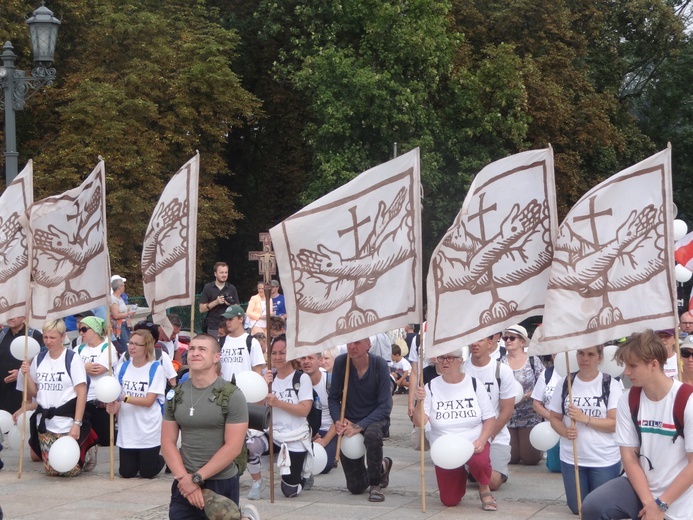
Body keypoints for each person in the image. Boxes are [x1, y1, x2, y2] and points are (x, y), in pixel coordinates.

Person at [582, 330, 693, 520]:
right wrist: (650, 503)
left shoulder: (687, 400)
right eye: (626, 365)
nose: (626, 372)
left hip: (682, 494)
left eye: (633, 366)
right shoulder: (629, 399)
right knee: (594, 506)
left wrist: (661, 505)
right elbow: (629, 457)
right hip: (641, 485)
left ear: (654, 364)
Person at [161, 334, 252, 519]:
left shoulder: (232, 395)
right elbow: (167, 442)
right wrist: (184, 479)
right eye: (192, 348)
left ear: (216, 357)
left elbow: (233, 447)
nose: (195, 353)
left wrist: (197, 479)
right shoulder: (176, 394)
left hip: (221, 481)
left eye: (202, 349)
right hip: (184, 482)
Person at [413, 349, 498, 510]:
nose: (445, 362)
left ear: (460, 360)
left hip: (473, 440)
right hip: (445, 446)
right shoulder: (430, 386)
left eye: (450, 358)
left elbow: (489, 418)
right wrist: (419, 402)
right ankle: (460, 473)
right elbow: (420, 422)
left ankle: (484, 487)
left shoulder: (474, 384)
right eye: (441, 358)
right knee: (450, 500)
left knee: (479, 462)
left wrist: (482, 439)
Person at [548, 345, 623, 515]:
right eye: (581, 353)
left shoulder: (610, 384)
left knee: (600, 509)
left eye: (591, 354)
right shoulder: (566, 382)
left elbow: (614, 424)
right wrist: (564, 431)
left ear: (600, 357)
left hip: (603, 458)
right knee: (577, 508)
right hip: (572, 457)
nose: (585, 358)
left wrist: (585, 419)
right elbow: (554, 418)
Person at [20, 319, 96, 476]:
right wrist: (26, 375)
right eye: (46, 337)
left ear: (62, 337)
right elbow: (35, 392)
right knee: (53, 471)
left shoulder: (72, 359)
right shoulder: (39, 359)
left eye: (52, 337)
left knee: (69, 471)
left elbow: (82, 392)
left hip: (66, 419)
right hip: (46, 422)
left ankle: (88, 448)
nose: (48, 341)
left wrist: (77, 423)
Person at [328, 337, 393, 502]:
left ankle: (375, 485)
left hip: (375, 419)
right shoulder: (342, 363)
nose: (352, 346)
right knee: (355, 487)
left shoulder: (379, 364)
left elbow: (385, 406)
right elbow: (334, 398)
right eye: (349, 342)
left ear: (368, 344)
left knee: (372, 436)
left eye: (357, 342)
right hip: (350, 419)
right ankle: (381, 466)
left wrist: (361, 425)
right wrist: (338, 420)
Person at [107, 329, 166, 478]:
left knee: (147, 473)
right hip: (128, 428)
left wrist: (124, 398)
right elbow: (114, 396)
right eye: (130, 343)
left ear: (146, 347)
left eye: (136, 344)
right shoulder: (122, 368)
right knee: (126, 473)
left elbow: (148, 401)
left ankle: (165, 458)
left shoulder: (156, 369)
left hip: (148, 428)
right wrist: (113, 406)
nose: (132, 347)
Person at [262, 334, 312, 497]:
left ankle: (303, 473)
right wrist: (261, 387)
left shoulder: (302, 378)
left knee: (289, 491)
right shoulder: (269, 378)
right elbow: (255, 406)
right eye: (274, 353)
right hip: (272, 435)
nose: (277, 357)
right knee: (251, 447)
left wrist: (279, 403)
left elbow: (304, 410)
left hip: (295, 436)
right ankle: (256, 482)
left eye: (282, 353)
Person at [464, 334, 516, 491]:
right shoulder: (462, 370)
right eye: (472, 339)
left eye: (480, 339)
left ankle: (496, 470)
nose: (475, 343)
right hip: (466, 435)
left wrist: (487, 436)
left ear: (490, 343)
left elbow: (507, 410)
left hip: (495, 435)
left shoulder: (502, 371)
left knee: (491, 482)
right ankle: (474, 469)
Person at [500, 324, 544, 466]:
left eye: (512, 338)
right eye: (505, 338)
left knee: (530, 460)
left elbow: (543, 384)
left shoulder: (533, 360)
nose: (508, 341)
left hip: (529, 415)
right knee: (511, 459)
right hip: (508, 416)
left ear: (522, 342)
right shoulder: (500, 363)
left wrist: (526, 396)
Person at [73, 316, 118, 451]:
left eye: (84, 329)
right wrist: (85, 368)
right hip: (82, 398)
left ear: (96, 330)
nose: (81, 333)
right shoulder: (78, 349)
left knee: (105, 440)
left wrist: (81, 367)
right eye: (79, 330)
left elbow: (98, 370)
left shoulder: (107, 347)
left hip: (99, 400)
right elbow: (71, 371)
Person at [301, 352, 337, 473]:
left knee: (324, 465)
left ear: (320, 360)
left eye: (310, 358)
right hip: (305, 431)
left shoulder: (330, 381)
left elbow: (339, 416)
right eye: (303, 358)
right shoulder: (297, 381)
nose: (306, 361)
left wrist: (325, 440)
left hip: (329, 430)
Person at [0, 316, 43, 414]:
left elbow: (40, 362)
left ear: (24, 318)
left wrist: (19, 373)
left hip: (22, 392)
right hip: (2, 390)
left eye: (15, 315)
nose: (11, 317)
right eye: (10, 314)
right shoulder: (2, 334)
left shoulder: (34, 335)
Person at [532, 354, 561, 473]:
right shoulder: (547, 374)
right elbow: (536, 404)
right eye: (555, 352)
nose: (557, 354)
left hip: (573, 427)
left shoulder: (578, 373)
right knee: (555, 467)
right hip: (553, 427)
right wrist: (554, 419)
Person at [219, 305, 266, 380]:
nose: (227, 322)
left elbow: (257, 371)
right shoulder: (221, 341)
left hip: (244, 389)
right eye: (226, 319)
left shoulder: (252, 342)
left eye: (230, 319)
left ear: (241, 319)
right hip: (224, 389)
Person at [199, 262, 240, 338]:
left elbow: (238, 308)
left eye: (226, 272)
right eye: (221, 272)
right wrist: (216, 302)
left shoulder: (232, 288)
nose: (224, 275)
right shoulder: (208, 288)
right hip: (213, 325)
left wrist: (230, 303)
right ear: (215, 273)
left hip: (229, 325)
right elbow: (201, 309)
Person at [110, 278, 136, 354]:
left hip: (125, 324)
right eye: (123, 285)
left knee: (129, 342)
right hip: (119, 326)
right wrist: (128, 314)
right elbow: (116, 315)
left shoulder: (120, 298)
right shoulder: (113, 299)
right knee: (125, 345)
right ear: (119, 287)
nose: (124, 287)